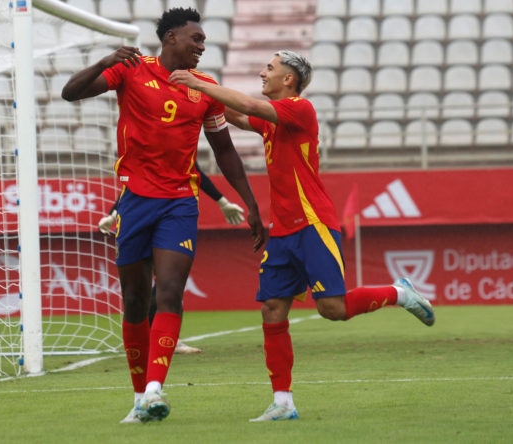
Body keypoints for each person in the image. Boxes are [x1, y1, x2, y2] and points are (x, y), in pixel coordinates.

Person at [169, 50, 435, 422]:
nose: (263, 73)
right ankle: (283, 402)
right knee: (272, 309)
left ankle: (399, 293)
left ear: (288, 79)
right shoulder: (272, 121)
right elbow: (235, 114)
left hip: (313, 224)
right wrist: (199, 93)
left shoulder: (300, 109)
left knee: (334, 310)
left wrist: (196, 82)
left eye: (270, 69)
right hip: (282, 231)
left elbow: (247, 105)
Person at [62, 7, 265, 424]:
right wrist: (104, 61)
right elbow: (71, 93)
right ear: (171, 37)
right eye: (196, 39)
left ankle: (156, 387)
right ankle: (140, 396)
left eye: (204, 41)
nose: (202, 47)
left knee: (169, 291)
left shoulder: (205, 88)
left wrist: (249, 202)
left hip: (179, 202)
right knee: (135, 300)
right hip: (135, 199)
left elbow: (223, 150)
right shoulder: (131, 71)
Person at [98, 161, 245, 355]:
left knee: (169, 283)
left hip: (172, 220)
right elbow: (133, 186)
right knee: (146, 287)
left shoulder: (180, 146)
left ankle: (167, 339)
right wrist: (113, 214)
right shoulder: (145, 151)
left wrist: (222, 202)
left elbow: (197, 173)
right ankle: (147, 338)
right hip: (142, 220)